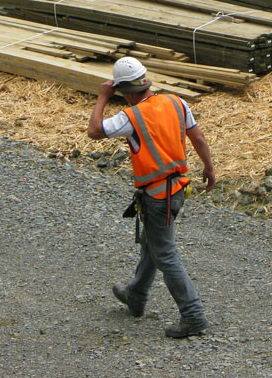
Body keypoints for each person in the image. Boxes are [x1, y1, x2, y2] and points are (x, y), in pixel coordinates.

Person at [87, 56, 216, 338]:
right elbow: (199, 139)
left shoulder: (130, 117)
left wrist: (101, 96)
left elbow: (95, 130)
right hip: (177, 189)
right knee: (152, 242)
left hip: (157, 196)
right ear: (146, 81)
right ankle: (136, 295)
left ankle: (193, 315)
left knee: (165, 252)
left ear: (123, 90)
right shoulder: (176, 102)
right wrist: (209, 168)